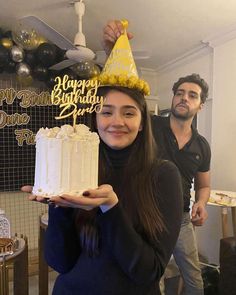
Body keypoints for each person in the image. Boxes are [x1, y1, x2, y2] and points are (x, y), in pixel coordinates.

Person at [22, 86, 183, 295]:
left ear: (142, 122)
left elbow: (149, 272)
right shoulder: (76, 172)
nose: (117, 121)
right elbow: (60, 262)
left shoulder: (163, 175)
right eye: (106, 112)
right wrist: (59, 205)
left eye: (128, 113)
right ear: (95, 119)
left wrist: (110, 207)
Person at [102, 21, 211, 295]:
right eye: (179, 93)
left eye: (192, 95)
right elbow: (122, 105)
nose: (183, 98)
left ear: (201, 105)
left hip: (183, 218)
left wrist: (201, 202)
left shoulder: (202, 145)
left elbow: (204, 184)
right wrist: (112, 53)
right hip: (146, 211)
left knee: (194, 277)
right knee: (153, 279)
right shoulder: (149, 125)